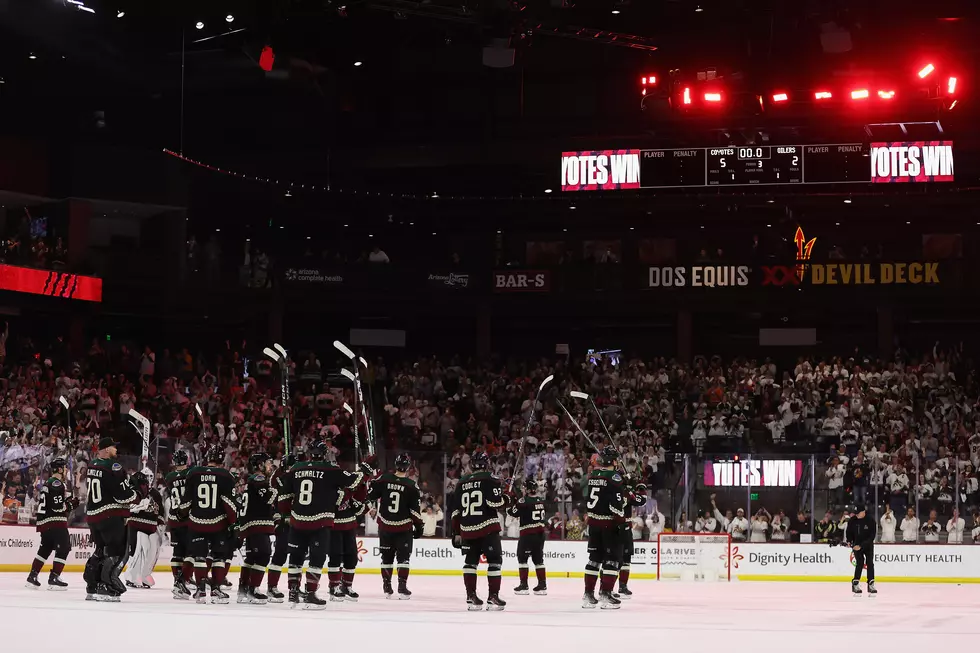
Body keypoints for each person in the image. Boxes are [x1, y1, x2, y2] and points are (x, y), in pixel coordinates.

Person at [278, 439, 373, 609]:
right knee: (317, 558)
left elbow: (283, 499)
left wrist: (288, 514)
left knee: (295, 558)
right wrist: (365, 470)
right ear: (323, 454)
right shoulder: (330, 470)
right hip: (319, 523)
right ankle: (310, 594)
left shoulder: (296, 469)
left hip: (297, 522)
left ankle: (293, 592)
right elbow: (353, 482)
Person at [451, 450, 509, 611]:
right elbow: (495, 503)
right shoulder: (491, 479)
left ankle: (471, 597)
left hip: (467, 528)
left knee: (470, 562)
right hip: (487, 527)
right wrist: (507, 497)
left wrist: (456, 532)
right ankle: (493, 597)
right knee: (495, 561)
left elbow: (456, 511)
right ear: (486, 464)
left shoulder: (461, 482)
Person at [181, 445, 237, 604]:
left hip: (196, 522)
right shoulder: (226, 475)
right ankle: (215, 590)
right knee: (219, 556)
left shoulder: (194, 473)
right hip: (218, 523)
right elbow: (229, 504)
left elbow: (186, 502)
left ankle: (200, 590)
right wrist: (233, 524)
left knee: (199, 556)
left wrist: (181, 515)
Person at [84, 437, 138, 602]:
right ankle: (107, 586)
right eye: (114, 447)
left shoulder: (92, 465)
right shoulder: (114, 466)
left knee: (100, 550)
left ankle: (92, 586)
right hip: (110, 515)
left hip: (93, 516)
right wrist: (138, 492)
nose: (116, 450)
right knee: (117, 551)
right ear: (106, 449)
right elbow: (121, 496)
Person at [368, 452, 423, 599]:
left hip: (385, 526)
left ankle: (387, 586)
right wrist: (419, 527)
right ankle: (402, 587)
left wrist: (371, 503)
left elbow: (370, 495)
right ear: (408, 468)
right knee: (403, 558)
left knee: (386, 558)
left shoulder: (384, 479)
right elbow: (415, 511)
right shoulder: (412, 486)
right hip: (403, 528)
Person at [581, 446, 626, 610]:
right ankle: (606, 595)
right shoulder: (614, 476)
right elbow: (616, 505)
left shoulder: (593, 475)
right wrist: (621, 521)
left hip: (594, 523)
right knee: (612, 560)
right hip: (608, 523)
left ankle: (588, 595)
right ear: (613, 461)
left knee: (594, 559)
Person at [26, 457, 74, 590]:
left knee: (45, 549)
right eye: (64, 468)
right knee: (64, 548)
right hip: (55, 521)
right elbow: (57, 507)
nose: (66, 470)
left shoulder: (49, 483)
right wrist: (70, 504)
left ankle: (32, 576)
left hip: (44, 522)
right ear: (59, 469)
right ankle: (54, 577)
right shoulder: (56, 483)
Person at [328, 459, 369, 602]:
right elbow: (339, 500)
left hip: (349, 525)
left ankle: (346, 586)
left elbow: (358, 505)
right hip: (334, 526)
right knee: (335, 556)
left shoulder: (348, 484)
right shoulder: (329, 488)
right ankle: (333, 587)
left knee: (351, 556)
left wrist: (363, 492)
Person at [237, 452, 275, 604]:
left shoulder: (252, 480)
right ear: (259, 465)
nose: (270, 466)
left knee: (252, 557)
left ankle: (243, 589)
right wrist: (280, 487)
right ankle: (253, 589)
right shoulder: (258, 479)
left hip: (250, 524)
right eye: (267, 463)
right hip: (257, 523)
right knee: (264, 555)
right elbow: (268, 497)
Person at [266, 451, 304, 603]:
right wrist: (277, 519)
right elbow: (273, 503)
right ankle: (271, 587)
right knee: (280, 554)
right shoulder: (277, 479)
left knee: (297, 555)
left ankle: (294, 587)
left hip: (297, 521)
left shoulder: (292, 477)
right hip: (283, 521)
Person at [508, 478, 548, 596]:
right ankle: (542, 585)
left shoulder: (524, 500)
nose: (523, 489)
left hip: (528, 533)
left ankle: (524, 585)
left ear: (528, 489)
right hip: (540, 534)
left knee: (522, 558)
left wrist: (510, 502)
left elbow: (512, 512)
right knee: (538, 560)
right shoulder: (540, 500)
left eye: (524, 487)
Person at [125, 471, 165, 589]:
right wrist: (141, 505)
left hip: (152, 527)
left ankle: (144, 575)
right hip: (136, 526)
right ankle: (132, 576)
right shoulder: (131, 492)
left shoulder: (155, 494)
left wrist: (160, 524)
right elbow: (128, 508)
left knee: (152, 553)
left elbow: (160, 510)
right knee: (138, 552)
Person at [165, 450, 193, 599]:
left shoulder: (169, 477)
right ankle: (182, 582)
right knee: (191, 553)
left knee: (177, 553)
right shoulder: (190, 474)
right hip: (187, 518)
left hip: (173, 518)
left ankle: (177, 582)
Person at [617, 475, 647, 598]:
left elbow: (640, 500)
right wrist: (639, 488)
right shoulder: (624, 493)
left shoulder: (623, 491)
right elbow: (641, 500)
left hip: (623, 528)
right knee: (616, 559)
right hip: (619, 527)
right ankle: (610, 587)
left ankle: (622, 585)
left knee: (625, 558)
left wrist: (636, 488)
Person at [845, 504, 876, 596]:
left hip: (868, 545)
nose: (857, 515)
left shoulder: (870, 520)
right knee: (860, 562)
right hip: (856, 545)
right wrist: (849, 541)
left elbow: (872, 536)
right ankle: (855, 583)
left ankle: (871, 584)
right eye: (856, 513)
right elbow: (849, 532)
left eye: (858, 513)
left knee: (870, 563)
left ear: (863, 512)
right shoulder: (852, 520)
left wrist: (861, 546)